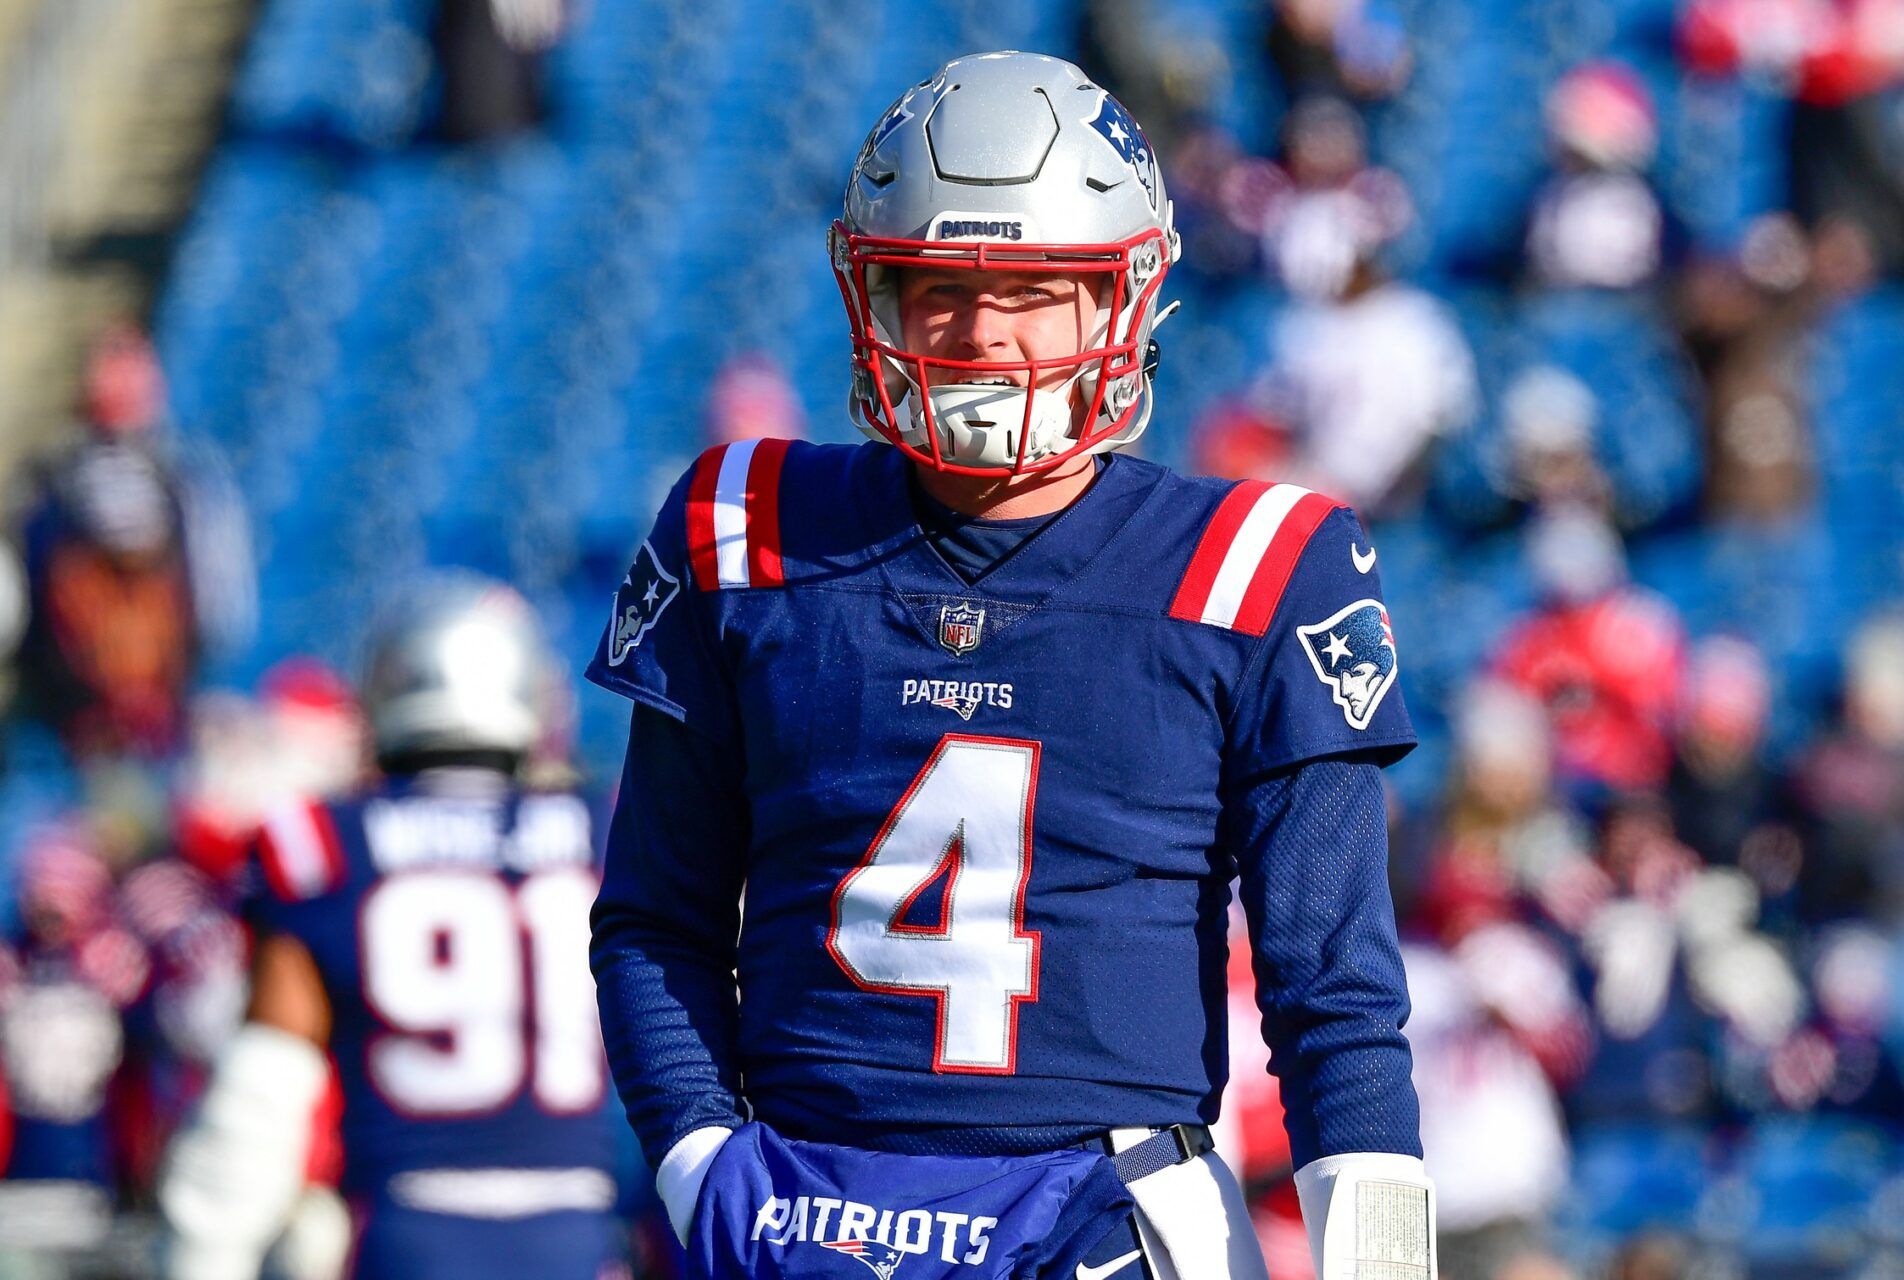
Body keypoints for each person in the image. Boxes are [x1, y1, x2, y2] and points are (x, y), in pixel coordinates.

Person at [587, 52, 1433, 1280]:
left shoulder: (1259, 564)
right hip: (801, 1204)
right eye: (934, 287)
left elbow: (1336, 990)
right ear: (869, 295)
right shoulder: (745, 524)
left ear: (1123, 299)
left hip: (1105, 1213)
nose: (981, 333)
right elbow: (654, 915)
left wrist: (1388, 1269)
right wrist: (698, 1159)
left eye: (1036, 289)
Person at [156, 575, 620, 1280]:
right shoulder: (604, 834)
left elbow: (263, 1089)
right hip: (575, 1234)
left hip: (412, 1234)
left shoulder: (327, 842)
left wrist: (204, 1253)